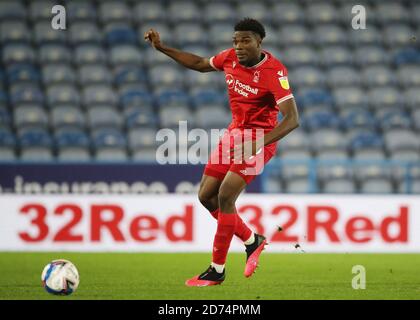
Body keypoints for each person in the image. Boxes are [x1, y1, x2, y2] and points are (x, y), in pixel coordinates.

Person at [144, 18, 300, 287]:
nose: (239, 46)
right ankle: (252, 240)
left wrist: (259, 143)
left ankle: (217, 269)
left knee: (225, 196)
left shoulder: (274, 72)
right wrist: (162, 48)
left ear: (259, 41)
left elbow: (292, 119)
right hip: (233, 134)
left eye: (245, 40)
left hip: (258, 139)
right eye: (235, 40)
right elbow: (198, 64)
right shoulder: (229, 58)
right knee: (206, 197)